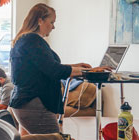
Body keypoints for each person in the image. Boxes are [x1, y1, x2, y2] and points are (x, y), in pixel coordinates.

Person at [10, 3, 111, 135]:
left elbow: (45, 66)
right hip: (32, 103)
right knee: (54, 137)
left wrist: (75, 66)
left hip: (24, 102)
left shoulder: (25, 39)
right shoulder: (33, 40)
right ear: (40, 20)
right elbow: (54, 70)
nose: (53, 27)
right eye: (51, 22)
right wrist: (89, 71)